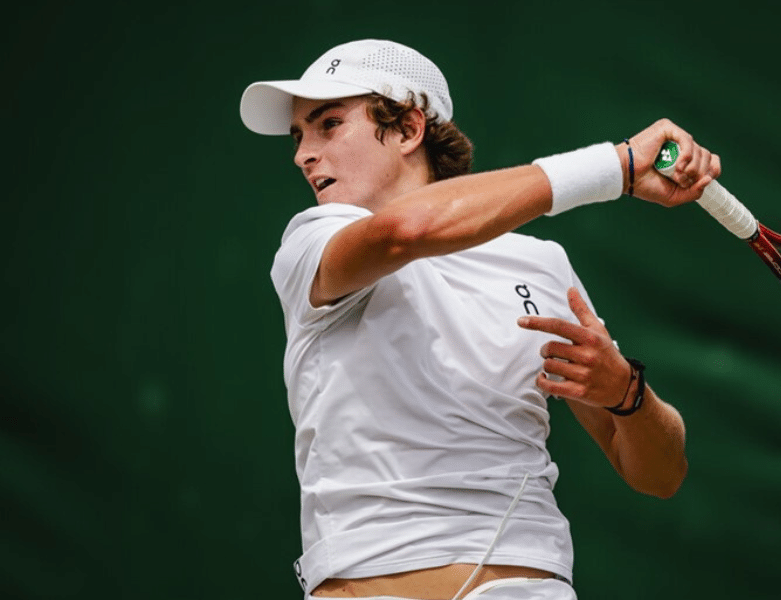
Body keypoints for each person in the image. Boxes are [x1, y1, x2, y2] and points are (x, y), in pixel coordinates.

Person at [239, 38, 719, 600]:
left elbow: (660, 475)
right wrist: (616, 166)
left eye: (328, 124)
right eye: (299, 136)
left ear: (408, 129)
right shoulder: (312, 244)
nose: (303, 154)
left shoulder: (541, 265)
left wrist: (625, 394)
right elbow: (407, 230)